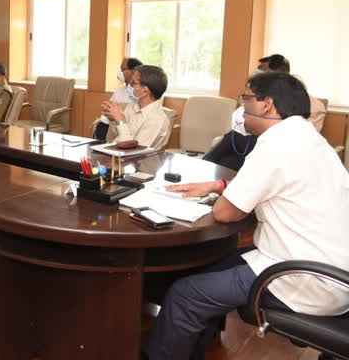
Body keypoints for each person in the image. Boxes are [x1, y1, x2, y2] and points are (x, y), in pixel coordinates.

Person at [144, 72, 349, 360]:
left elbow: (225, 212)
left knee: (185, 294)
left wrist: (222, 195)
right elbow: (279, 186)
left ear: (266, 104)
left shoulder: (276, 144)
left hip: (300, 276)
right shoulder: (308, 139)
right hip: (333, 272)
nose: (240, 108)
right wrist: (221, 185)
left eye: (246, 98)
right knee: (205, 269)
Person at [204, 54, 326, 170]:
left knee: (231, 153)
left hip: (260, 145)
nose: (258, 74)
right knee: (228, 154)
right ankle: (203, 167)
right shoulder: (260, 98)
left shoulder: (304, 112)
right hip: (247, 144)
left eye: (262, 70)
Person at [101, 64, 170, 149]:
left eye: (133, 82)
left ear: (144, 91)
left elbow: (132, 151)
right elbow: (113, 140)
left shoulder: (157, 119)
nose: (129, 85)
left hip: (138, 161)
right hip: (117, 156)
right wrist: (114, 120)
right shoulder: (132, 106)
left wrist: (121, 121)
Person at [93, 57, 142, 140]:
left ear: (133, 72)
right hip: (106, 125)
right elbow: (108, 109)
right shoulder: (120, 89)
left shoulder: (140, 93)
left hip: (120, 127)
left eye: (123, 69)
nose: (120, 72)